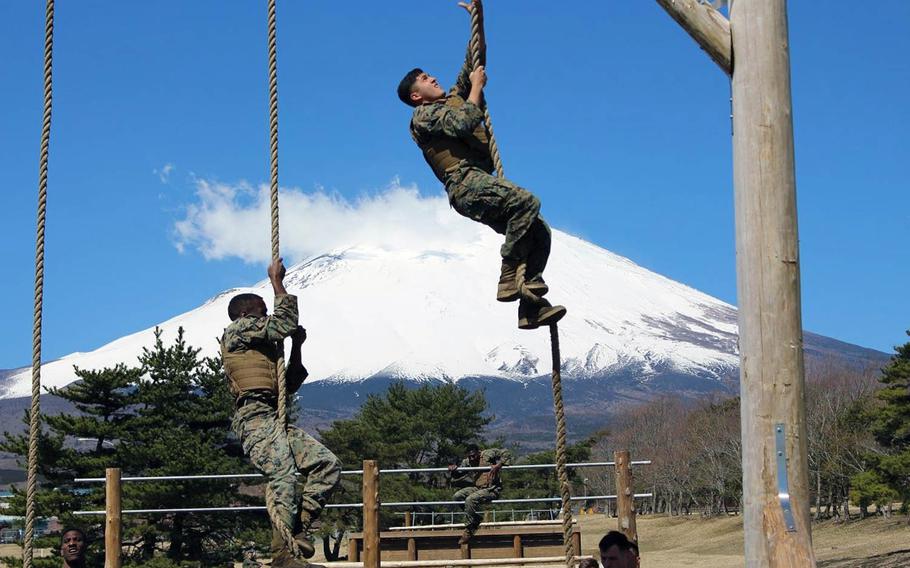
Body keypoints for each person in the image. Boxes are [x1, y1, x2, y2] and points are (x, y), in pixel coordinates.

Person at [397, 0, 566, 330]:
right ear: (415, 96)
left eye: (429, 74)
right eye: (423, 79)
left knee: (539, 230)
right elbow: (462, 123)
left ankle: (529, 305)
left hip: (479, 182)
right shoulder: (423, 117)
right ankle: (508, 273)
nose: (431, 77)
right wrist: (476, 87)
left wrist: (478, 16)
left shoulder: (455, 95)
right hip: (465, 185)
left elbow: (475, 58)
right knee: (527, 201)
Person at [221, 258, 342, 568]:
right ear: (247, 314)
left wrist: (297, 347)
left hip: (274, 418)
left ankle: (296, 528)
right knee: (284, 476)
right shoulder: (238, 330)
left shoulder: (263, 347)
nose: (267, 315)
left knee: (327, 464)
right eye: (263, 311)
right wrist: (277, 282)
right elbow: (283, 323)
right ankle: (283, 556)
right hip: (256, 419)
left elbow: (290, 384)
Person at [448, 444, 513, 544]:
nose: (472, 458)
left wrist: (498, 465)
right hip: (477, 488)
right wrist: (453, 469)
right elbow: (459, 473)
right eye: (469, 456)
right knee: (457, 496)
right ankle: (476, 518)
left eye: (474, 456)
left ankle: (469, 528)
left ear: (479, 452)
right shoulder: (467, 462)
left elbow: (506, 452)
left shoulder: (487, 454)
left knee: (470, 499)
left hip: (492, 489)